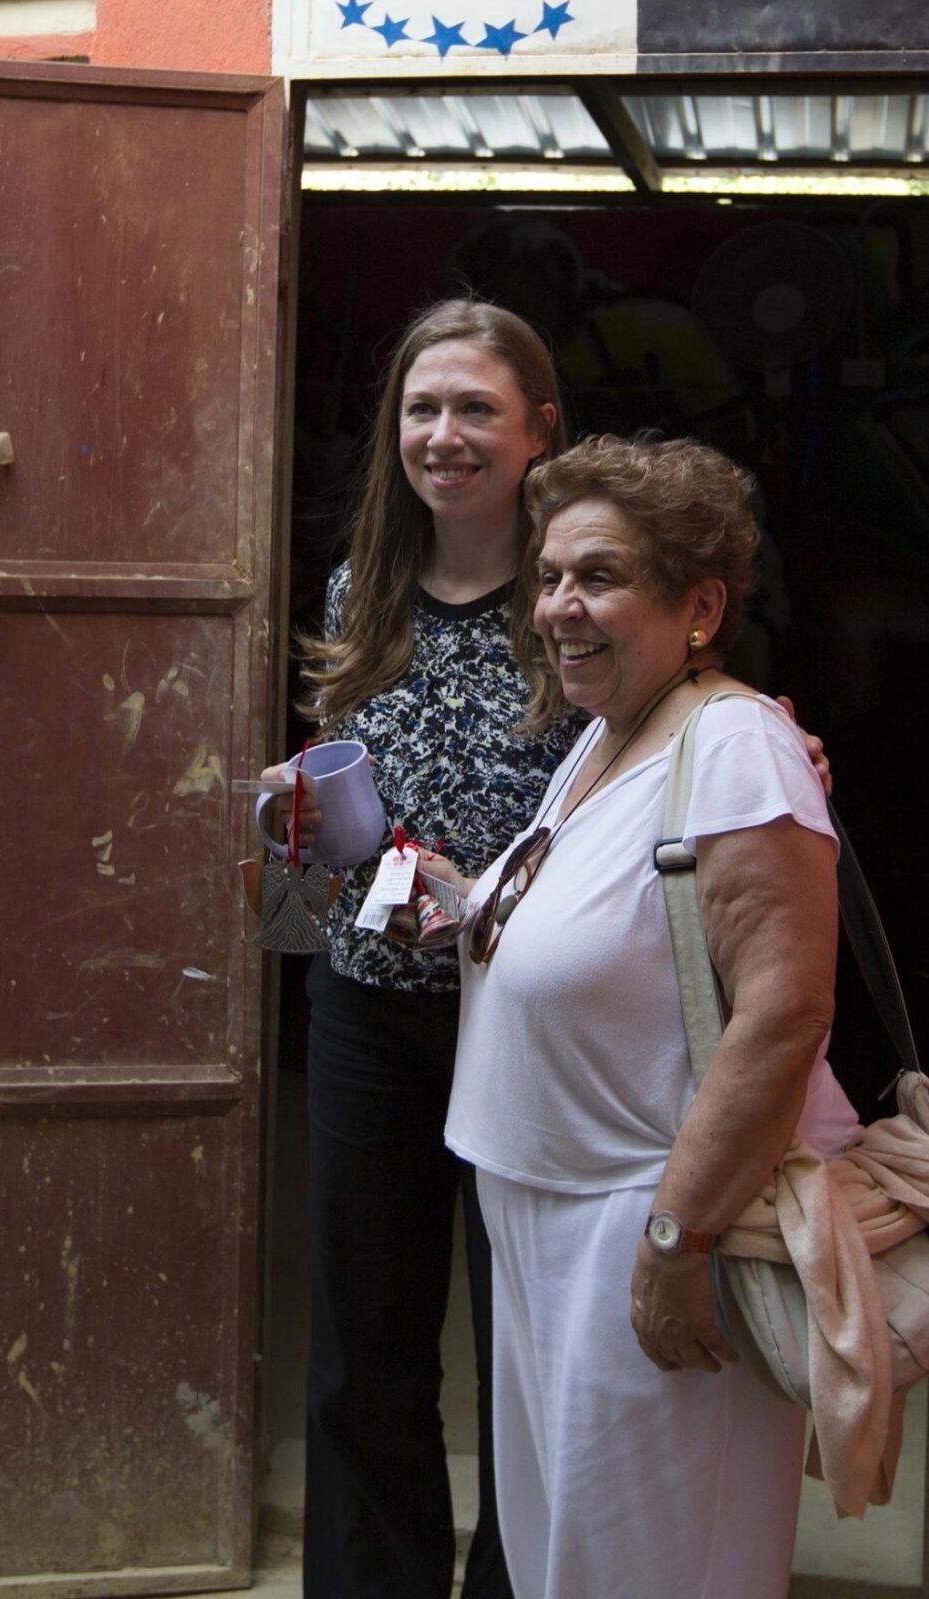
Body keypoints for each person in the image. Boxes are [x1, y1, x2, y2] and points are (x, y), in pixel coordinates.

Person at [438, 435, 863, 1599]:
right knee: (564, 1559)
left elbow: (784, 1010)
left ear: (700, 604)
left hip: (649, 1218)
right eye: (549, 575)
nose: (557, 608)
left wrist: (680, 1237)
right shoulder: (611, 727)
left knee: (658, 1566)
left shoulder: (736, 747)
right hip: (543, 1212)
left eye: (600, 576)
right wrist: (462, 904)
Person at [266, 299, 572, 1599]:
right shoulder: (361, 588)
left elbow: (674, 760)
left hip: (538, 1025)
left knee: (531, 1345)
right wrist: (303, 811)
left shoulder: (581, 596)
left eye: (476, 408)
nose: (443, 436)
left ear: (539, 430)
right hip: (370, 1012)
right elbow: (358, 805)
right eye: (421, 408)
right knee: (363, 1349)